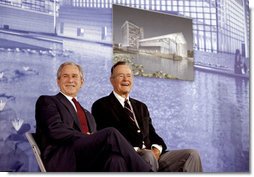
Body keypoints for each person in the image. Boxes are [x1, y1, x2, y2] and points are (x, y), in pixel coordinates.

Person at [35, 61, 152, 172]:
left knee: (116, 159)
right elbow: (55, 129)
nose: (70, 80)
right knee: (111, 133)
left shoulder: (87, 114)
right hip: (64, 159)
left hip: (88, 161)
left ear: (82, 82)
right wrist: (85, 137)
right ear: (58, 81)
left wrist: (90, 139)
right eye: (65, 76)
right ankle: (147, 172)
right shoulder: (48, 101)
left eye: (75, 76)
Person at [92, 61, 203, 172]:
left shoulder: (141, 107)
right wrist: (140, 151)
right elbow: (110, 140)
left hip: (151, 156)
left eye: (129, 76)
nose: (126, 79)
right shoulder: (101, 105)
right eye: (121, 76)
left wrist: (157, 149)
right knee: (148, 155)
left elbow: (153, 135)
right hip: (129, 157)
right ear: (112, 80)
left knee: (192, 155)